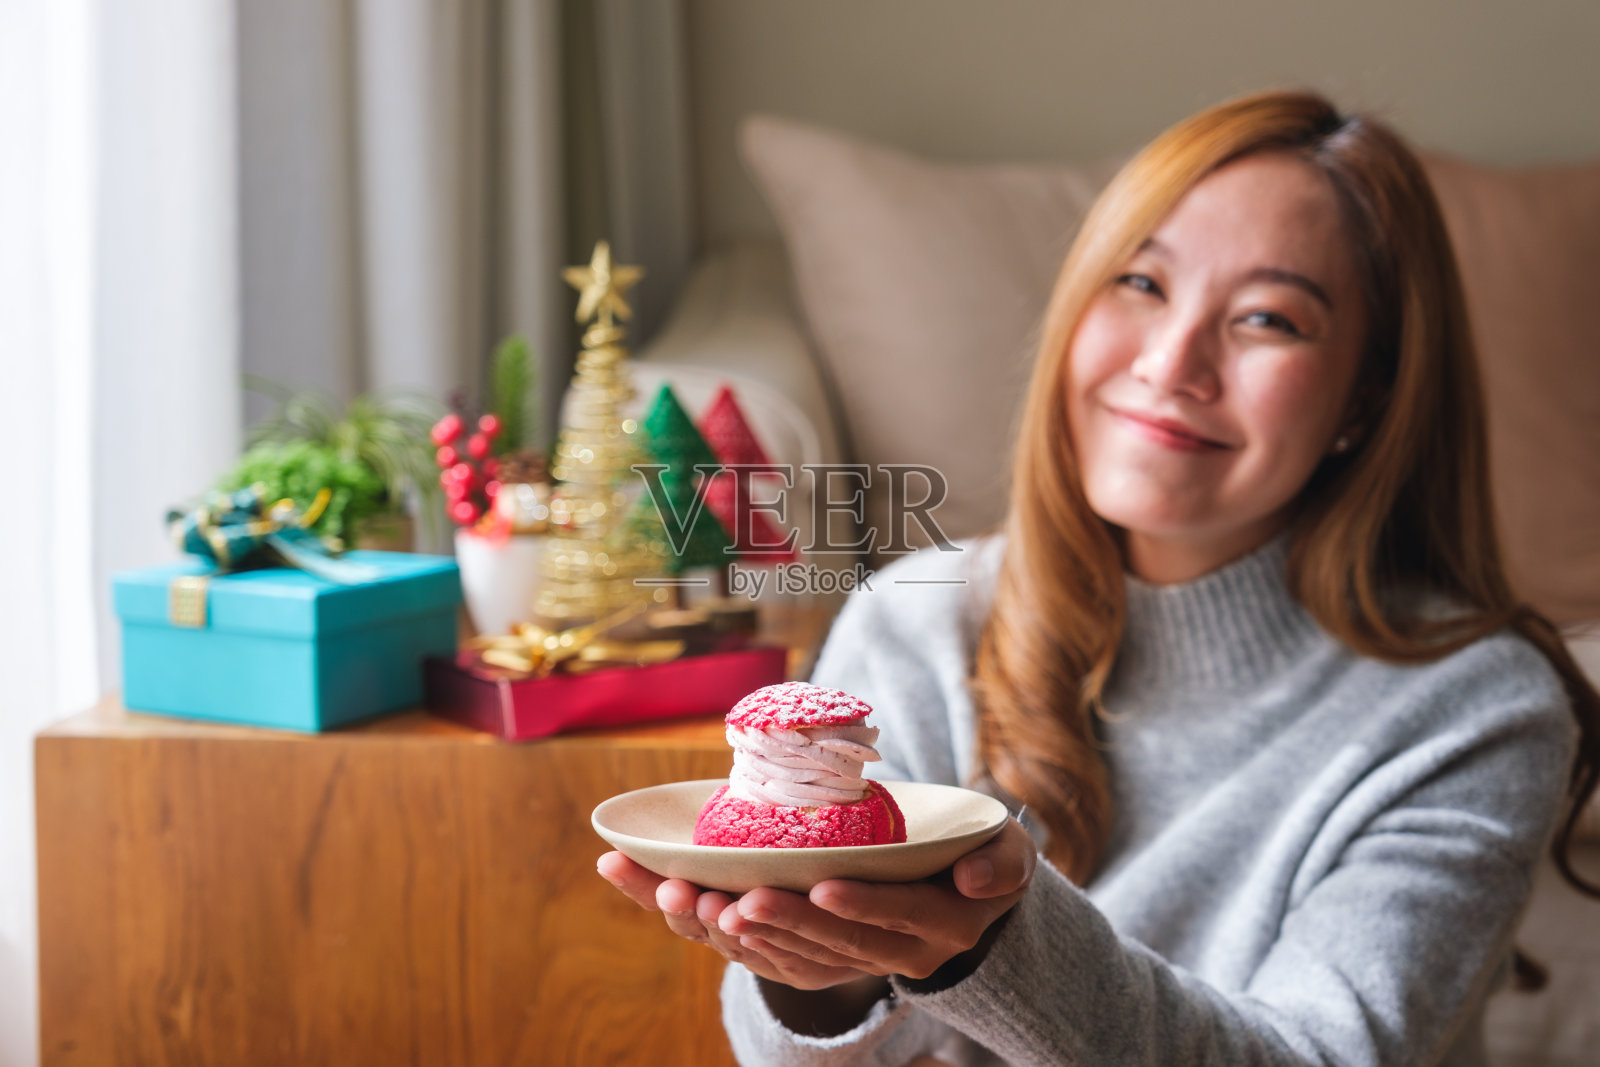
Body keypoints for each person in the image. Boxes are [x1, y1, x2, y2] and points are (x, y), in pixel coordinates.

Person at [597, 90, 1600, 1066]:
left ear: (1363, 397)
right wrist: (817, 963)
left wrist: (983, 941)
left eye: (1268, 320)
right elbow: (795, 1054)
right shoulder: (916, 620)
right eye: (1141, 283)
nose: (1172, 362)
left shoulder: (1477, 708)